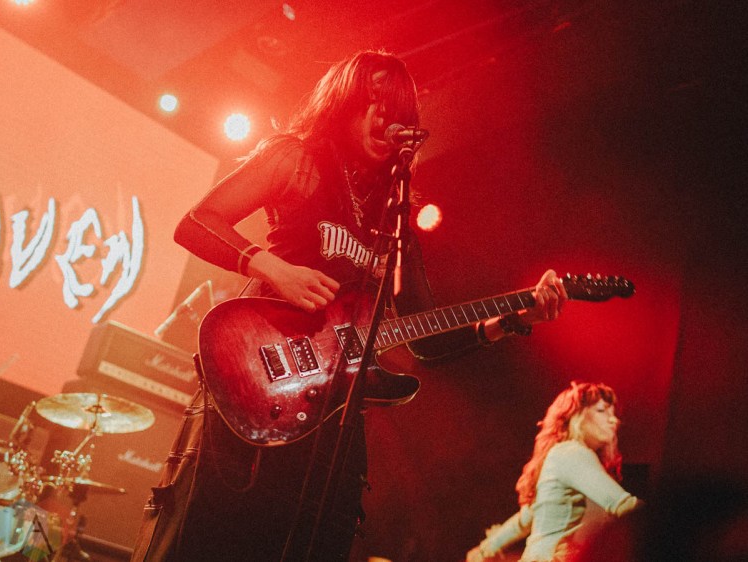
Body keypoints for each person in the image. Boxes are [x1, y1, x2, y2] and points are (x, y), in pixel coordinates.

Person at [131, 49, 567, 562]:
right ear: (344, 103)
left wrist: (513, 318)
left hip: (332, 421)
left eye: (398, 110)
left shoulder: (395, 220)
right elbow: (196, 223)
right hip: (256, 378)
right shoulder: (297, 159)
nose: (385, 119)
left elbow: (426, 341)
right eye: (373, 102)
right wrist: (272, 267)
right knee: (213, 540)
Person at [466, 381, 640, 562]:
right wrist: (659, 527)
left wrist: (484, 550)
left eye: (613, 413)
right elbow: (623, 504)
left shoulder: (568, 457)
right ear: (576, 416)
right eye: (602, 411)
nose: (613, 420)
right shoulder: (572, 453)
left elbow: (526, 519)